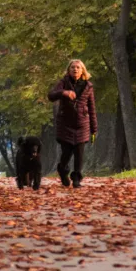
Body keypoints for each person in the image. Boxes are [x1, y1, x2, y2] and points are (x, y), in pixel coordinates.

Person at [48, 59, 97, 188]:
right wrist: (64, 92)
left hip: (82, 125)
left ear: (82, 71)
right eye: (72, 67)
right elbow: (51, 95)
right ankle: (62, 170)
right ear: (68, 70)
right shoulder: (63, 83)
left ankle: (76, 179)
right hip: (65, 124)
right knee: (67, 153)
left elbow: (92, 108)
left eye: (78, 67)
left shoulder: (88, 86)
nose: (75, 69)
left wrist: (94, 129)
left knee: (79, 153)